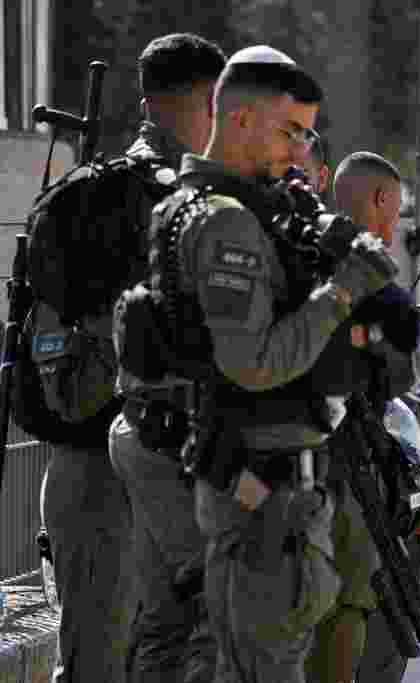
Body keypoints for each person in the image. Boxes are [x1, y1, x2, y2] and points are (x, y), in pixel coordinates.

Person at [137, 45, 420, 683]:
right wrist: (344, 288)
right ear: (239, 119)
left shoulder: (230, 208)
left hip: (275, 492)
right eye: (289, 131)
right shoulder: (226, 224)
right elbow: (256, 364)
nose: (300, 150)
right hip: (261, 498)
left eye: (306, 134)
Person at [41, 33, 225, 683]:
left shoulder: (104, 189)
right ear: (208, 99)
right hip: (122, 471)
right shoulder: (179, 200)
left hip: (97, 469)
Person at [307, 150, 420, 683]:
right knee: (347, 601)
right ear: (383, 199)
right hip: (341, 467)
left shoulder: (296, 245)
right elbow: (397, 385)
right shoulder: (360, 265)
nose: (396, 226)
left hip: (310, 459)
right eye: (397, 209)